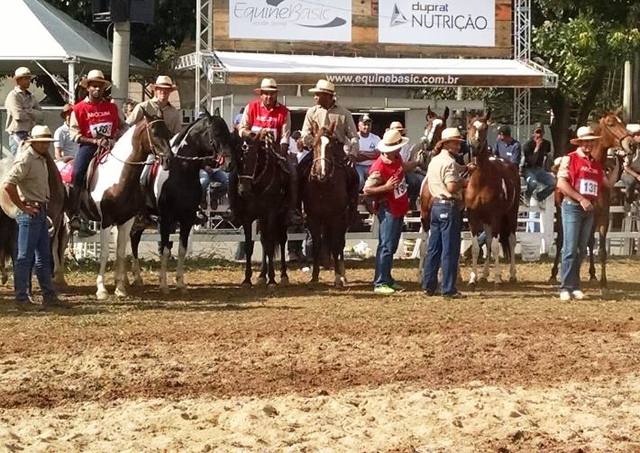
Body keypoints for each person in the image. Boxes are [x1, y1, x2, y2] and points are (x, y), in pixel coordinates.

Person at [3, 125, 68, 309]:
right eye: (44, 143)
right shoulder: (26, 159)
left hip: (41, 211)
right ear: (35, 142)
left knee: (43, 257)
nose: (47, 146)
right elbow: (9, 184)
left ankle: (48, 295)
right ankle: (22, 298)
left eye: (48, 143)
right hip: (29, 213)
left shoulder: (41, 159)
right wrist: (22, 206)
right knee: (24, 256)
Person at [236, 78, 300, 224]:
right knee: (234, 172)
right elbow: (242, 129)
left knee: (293, 173)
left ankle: (292, 210)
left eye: (272, 94)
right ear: (261, 94)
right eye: (266, 94)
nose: (269, 97)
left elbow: (285, 136)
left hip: (274, 150)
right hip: (252, 150)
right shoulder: (251, 107)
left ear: (276, 95)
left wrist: (282, 153)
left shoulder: (283, 112)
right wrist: (255, 135)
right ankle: (234, 208)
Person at [363, 128, 419, 295]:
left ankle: (385, 278)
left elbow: (402, 168)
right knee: (386, 245)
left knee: (391, 245)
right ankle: (380, 281)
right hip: (388, 208)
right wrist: (386, 187)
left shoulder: (395, 159)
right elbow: (367, 189)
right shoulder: (379, 167)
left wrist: (416, 163)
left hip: (397, 206)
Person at [68, 69, 122, 235]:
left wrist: (115, 139)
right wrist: (95, 141)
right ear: (88, 88)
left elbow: (120, 127)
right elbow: (74, 135)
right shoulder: (78, 109)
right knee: (77, 173)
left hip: (112, 146)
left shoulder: (112, 107)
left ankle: (139, 210)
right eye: (94, 86)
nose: (97, 89)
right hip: (89, 146)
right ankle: (74, 213)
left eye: (99, 86)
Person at [556, 126, 606, 301]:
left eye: (591, 141)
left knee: (581, 249)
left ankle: (574, 285)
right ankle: (565, 286)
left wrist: (621, 168)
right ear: (580, 142)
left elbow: (607, 182)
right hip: (572, 206)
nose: (589, 144)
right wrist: (581, 199)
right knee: (569, 248)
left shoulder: (595, 164)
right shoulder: (570, 159)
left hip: (587, 209)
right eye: (586, 141)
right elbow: (562, 183)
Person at [301, 79, 360, 225]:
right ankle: (297, 208)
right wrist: (312, 141)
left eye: (318, 94)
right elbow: (305, 134)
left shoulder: (344, 113)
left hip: (337, 150)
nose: (315, 97)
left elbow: (353, 136)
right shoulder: (311, 112)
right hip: (317, 149)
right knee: (299, 170)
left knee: (354, 175)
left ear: (327, 95)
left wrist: (352, 153)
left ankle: (353, 208)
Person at [422, 128, 468, 298]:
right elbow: (451, 186)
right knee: (450, 248)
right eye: (455, 143)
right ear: (446, 143)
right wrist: (464, 182)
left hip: (435, 206)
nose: (458, 146)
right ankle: (448, 288)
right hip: (448, 206)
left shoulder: (434, 160)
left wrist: (464, 168)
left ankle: (429, 285)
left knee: (434, 247)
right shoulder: (449, 163)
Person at [4, 67, 43, 155]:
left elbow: (41, 115)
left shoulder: (31, 96)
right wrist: (32, 111)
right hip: (17, 134)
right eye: (26, 78)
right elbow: (19, 116)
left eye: (29, 78)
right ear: (18, 80)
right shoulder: (13, 96)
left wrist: (26, 110)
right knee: (20, 162)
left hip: (31, 134)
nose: (29, 81)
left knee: (32, 162)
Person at [392, 121, 424, 209]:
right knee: (412, 181)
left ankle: (412, 201)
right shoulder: (388, 144)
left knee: (421, 180)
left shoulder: (406, 145)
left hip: (405, 169)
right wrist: (416, 162)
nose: (399, 133)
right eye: (397, 131)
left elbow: (408, 160)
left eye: (400, 131)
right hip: (393, 170)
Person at [522, 123, 555, 204]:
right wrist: (537, 148)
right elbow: (531, 161)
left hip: (539, 169)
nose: (539, 135)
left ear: (543, 133)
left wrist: (550, 169)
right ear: (533, 133)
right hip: (528, 168)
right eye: (537, 132)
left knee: (554, 183)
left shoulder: (547, 143)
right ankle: (527, 195)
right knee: (533, 183)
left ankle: (539, 196)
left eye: (541, 132)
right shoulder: (527, 145)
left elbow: (548, 157)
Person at [354, 115, 381, 190]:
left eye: (369, 124)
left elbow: (378, 154)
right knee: (360, 181)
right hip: (359, 166)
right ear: (359, 126)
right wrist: (371, 154)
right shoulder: (354, 138)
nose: (367, 126)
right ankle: (357, 198)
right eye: (364, 124)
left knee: (377, 181)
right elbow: (356, 157)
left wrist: (362, 153)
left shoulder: (376, 138)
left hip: (373, 166)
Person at [620, 123, 640, 210]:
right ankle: (628, 200)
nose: (639, 137)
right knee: (631, 180)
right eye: (637, 135)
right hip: (628, 173)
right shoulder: (629, 149)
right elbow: (626, 167)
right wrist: (637, 176)